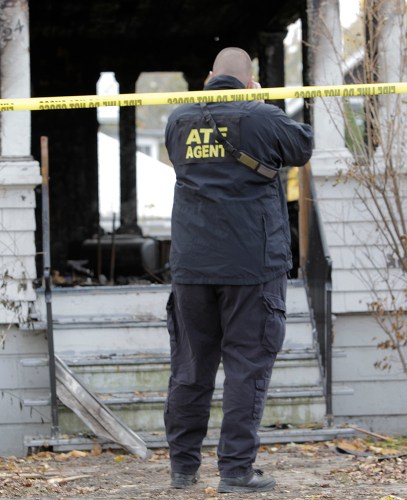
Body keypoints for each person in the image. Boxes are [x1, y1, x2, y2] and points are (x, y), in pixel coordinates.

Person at [163, 47, 314, 493]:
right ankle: (235, 472)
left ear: (209, 77)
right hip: (251, 265)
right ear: (251, 83)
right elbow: (302, 145)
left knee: (190, 369)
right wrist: (259, 102)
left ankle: (183, 469)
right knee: (246, 368)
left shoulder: (178, 121)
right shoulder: (262, 116)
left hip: (192, 266)